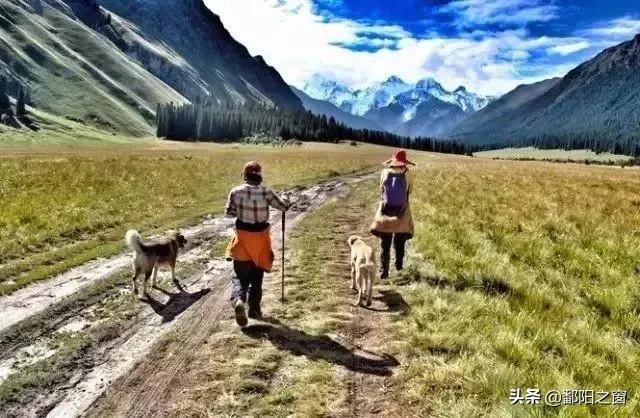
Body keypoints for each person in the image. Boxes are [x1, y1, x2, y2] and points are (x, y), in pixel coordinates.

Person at [225, 161, 289, 326]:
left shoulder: (235, 191)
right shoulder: (266, 191)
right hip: (261, 241)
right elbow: (283, 207)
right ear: (259, 175)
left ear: (245, 175)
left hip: (242, 241)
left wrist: (241, 210)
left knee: (240, 277)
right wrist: (286, 198)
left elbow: (229, 214)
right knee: (257, 277)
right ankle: (254, 309)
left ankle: (239, 300)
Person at [370, 149, 415, 279]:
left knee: (385, 242)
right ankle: (399, 267)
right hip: (402, 211)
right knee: (400, 241)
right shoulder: (408, 173)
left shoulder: (385, 172)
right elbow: (410, 190)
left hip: (386, 210)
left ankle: (384, 270)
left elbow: (381, 190)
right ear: (404, 162)